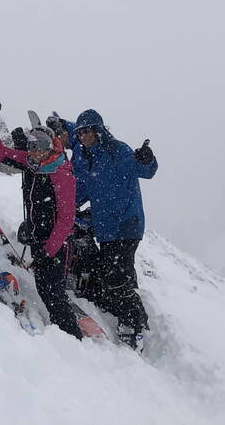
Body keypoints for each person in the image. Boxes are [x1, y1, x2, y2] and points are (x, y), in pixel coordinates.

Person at [0, 104, 82, 339]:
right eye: (31, 146)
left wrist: (49, 250)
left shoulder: (60, 172)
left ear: (49, 148)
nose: (34, 152)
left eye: (39, 147)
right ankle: (62, 335)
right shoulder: (32, 163)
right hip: (40, 240)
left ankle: (71, 338)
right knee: (45, 289)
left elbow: (67, 219)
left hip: (57, 244)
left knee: (53, 293)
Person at [67, 109, 158, 349]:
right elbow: (83, 191)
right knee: (106, 271)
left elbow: (146, 171)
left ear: (98, 130)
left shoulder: (118, 151)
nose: (83, 136)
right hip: (106, 229)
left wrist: (147, 158)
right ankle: (115, 308)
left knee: (118, 277)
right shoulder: (89, 159)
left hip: (127, 224)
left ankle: (134, 326)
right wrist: (65, 206)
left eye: (86, 131)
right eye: (79, 132)